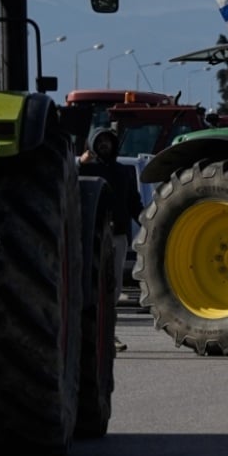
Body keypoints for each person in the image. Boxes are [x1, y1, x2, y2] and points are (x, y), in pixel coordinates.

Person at [82, 126, 143, 352]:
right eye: (100, 142)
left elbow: (134, 204)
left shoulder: (123, 172)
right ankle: (93, 333)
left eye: (108, 141)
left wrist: (149, 222)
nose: (105, 145)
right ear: (92, 144)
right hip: (90, 237)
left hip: (118, 236)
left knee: (114, 288)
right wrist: (80, 163)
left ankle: (108, 333)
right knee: (91, 285)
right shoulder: (84, 170)